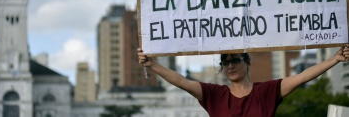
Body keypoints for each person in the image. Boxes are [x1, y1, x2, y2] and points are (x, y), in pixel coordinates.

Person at [137, 45, 349, 117]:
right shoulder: (214, 94)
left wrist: (335, 58)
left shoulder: (267, 91)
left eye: (234, 60)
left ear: (247, 62)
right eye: (225, 62)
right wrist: (152, 64)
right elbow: (181, 81)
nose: (230, 65)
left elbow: (303, 76)